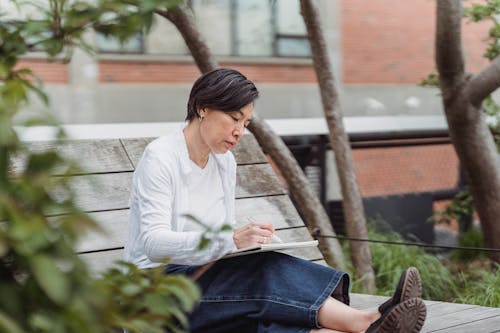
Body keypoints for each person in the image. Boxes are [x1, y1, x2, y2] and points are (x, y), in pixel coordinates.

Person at [124, 68, 427, 333]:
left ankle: (367, 326)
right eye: (234, 118)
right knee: (262, 273)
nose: (240, 132)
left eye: (246, 123)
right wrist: (231, 239)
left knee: (269, 308)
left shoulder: (223, 162)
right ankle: (366, 321)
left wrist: (252, 243)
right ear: (203, 107)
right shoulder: (161, 157)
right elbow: (153, 242)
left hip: (206, 288)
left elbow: (222, 241)